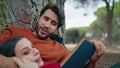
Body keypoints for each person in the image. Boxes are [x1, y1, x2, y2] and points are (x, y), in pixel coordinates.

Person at [0, 4, 106, 68]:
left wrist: (92, 61)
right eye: (45, 19)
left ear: (56, 29)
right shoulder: (12, 32)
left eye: (53, 23)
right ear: (38, 18)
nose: (47, 25)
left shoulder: (60, 50)